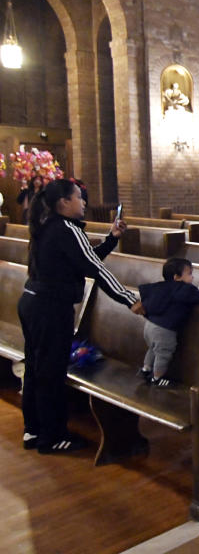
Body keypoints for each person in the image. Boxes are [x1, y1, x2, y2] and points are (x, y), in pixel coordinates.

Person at [18, 179, 143, 454]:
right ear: (64, 202)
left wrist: (112, 239)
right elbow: (96, 269)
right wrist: (128, 299)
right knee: (50, 373)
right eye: (79, 197)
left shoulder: (48, 225)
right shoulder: (66, 228)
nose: (84, 202)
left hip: (33, 303)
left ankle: (34, 430)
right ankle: (52, 437)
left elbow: (85, 261)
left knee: (35, 368)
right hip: (50, 309)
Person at [138, 258, 199, 387]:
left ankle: (145, 369)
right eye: (189, 274)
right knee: (163, 353)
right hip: (164, 330)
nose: (192, 277)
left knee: (153, 349)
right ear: (177, 277)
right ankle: (158, 378)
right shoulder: (183, 289)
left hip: (149, 326)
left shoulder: (160, 287)